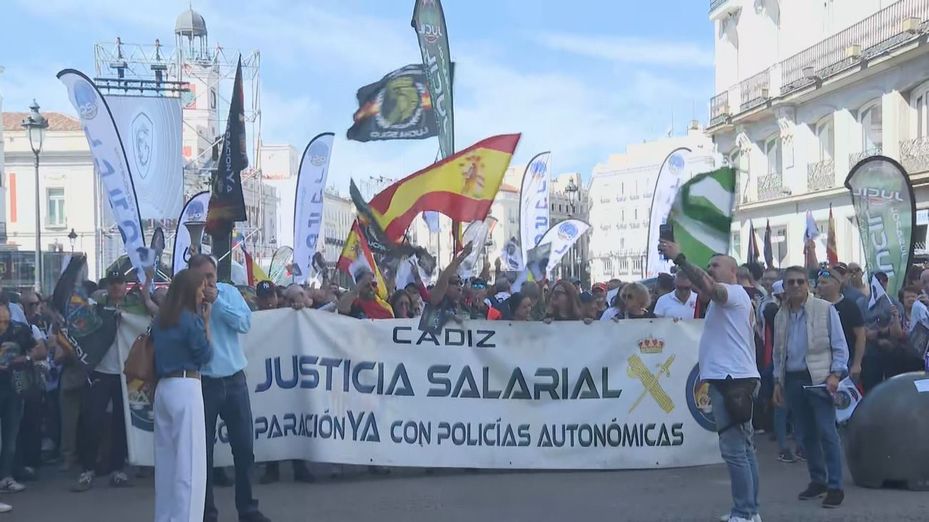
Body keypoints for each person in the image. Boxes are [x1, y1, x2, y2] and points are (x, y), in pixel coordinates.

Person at [658, 240, 761, 522]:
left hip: (732, 381)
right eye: (709, 265)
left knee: (735, 451)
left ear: (733, 272)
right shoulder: (726, 299)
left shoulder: (733, 293)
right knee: (744, 449)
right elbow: (703, 286)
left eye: (716, 265)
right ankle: (750, 510)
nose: (710, 269)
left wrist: (680, 258)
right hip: (733, 378)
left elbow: (710, 287)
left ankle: (744, 511)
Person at [188, 255, 269, 522]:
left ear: (216, 274)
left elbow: (245, 324)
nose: (207, 282)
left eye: (210, 276)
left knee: (244, 448)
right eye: (201, 277)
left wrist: (218, 303)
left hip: (234, 380)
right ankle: (206, 512)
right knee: (204, 453)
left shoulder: (230, 293)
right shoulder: (185, 301)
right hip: (204, 383)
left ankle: (248, 509)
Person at [772, 266, 849, 509]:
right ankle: (818, 481)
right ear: (784, 286)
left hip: (819, 378)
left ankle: (835, 486)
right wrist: (777, 382)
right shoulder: (780, 315)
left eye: (800, 281)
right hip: (793, 379)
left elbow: (839, 344)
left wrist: (836, 374)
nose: (795, 286)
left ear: (808, 284)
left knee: (827, 433)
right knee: (806, 435)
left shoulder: (825, 309)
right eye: (791, 282)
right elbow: (778, 353)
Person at [150, 269, 213, 522]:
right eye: (200, 288)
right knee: (190, 465)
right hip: (186, 386)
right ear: (189, 290)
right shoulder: (191, 320)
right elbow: (205, 355)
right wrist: (206, 323)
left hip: (164, 387)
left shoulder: (161, 320)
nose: (203, 294)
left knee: (166, 465)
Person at [72, 270, 133, 492]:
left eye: (120, 282)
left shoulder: (135, 310)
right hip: (100, 372)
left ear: (125, 285)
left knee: (121, 422)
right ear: (107, 286)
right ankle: (88, 469)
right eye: (112, 283)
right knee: (92, 420)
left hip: (125, 373)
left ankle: (118, 468)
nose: (116, 287)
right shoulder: (96, 310)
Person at [0, 303, 42, 507]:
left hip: (13, 389)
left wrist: (25, 357)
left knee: (10, 436)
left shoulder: (19, 330)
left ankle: (6, 477)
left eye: (5, 321)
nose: (2, 325)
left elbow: (41, 350)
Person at [815, 268, 865, 383]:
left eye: (824, 282)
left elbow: (861, 336)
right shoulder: (815, 306)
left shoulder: (849, 306)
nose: (819, 286)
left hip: (846, 363)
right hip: (821, 364)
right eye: (819, 282)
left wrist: (857, 364)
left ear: (837, 284)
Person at [861, 271, 903, 392]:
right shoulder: (861, 303)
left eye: (884, 280)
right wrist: (882, 334)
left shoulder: (895, 304)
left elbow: (897, 332)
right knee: (871, 390)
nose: (881, 283)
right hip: (869, 354)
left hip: (891, 351)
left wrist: (878, 334)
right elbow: (862, 330)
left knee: (892, 390)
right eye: (877, 280)